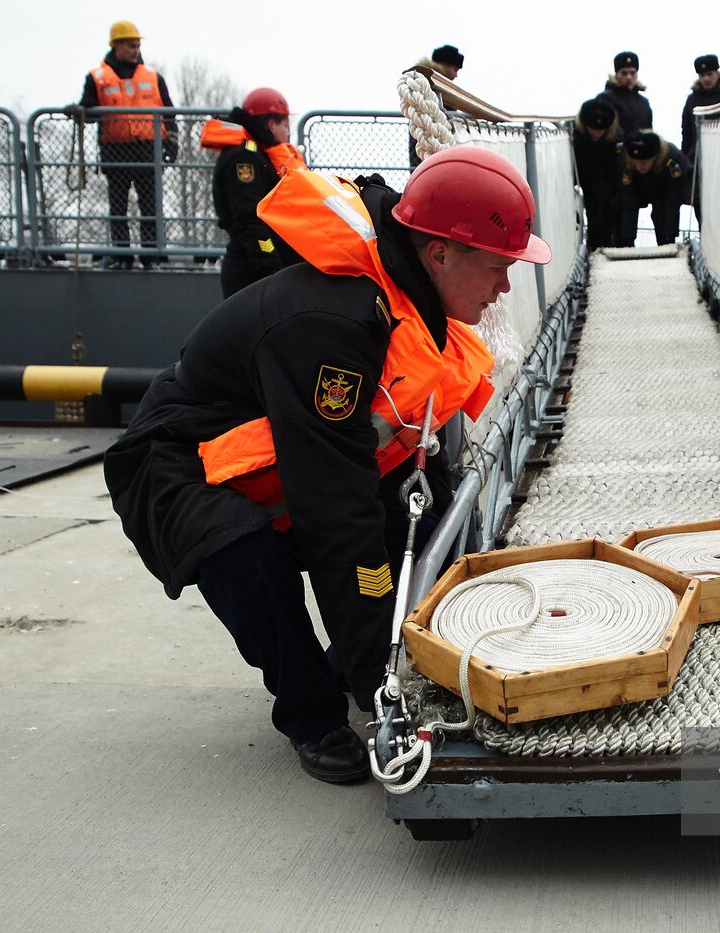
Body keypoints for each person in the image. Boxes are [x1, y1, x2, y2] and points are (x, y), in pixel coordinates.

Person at [102, 146, 551, 784]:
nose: (505, 287)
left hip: (276, 452)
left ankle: (354, 662)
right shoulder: (333, 329)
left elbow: (402, 474)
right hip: (177, 462)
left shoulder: (409, 299)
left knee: (418, 517)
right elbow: (336, 510)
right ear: (440, 253)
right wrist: (382, 694)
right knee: (243, 551)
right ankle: (312, 712)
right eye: (498, 267)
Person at [76, 20, 177, 270]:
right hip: (115, 150)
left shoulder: (153, 77)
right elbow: (88, 109)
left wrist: (172, 140)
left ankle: (151, 256)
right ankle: (121, 256)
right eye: (131, 45)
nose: (135, 50)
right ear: (116, 45)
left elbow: (169, 111)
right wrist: (78, 111)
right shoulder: (97, 77)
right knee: (118, 206)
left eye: (138, 46)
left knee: (151, 206)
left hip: (147, 149)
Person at [200, 87, 307, 297]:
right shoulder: (244, 159)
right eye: (285, 126)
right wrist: (273, 267)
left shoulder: (257, 155)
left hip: (260, 271)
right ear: (270, 125)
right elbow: (249, 221)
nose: (288, 133)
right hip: (252, 272)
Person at [618, 131, 691, 246]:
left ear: (655, 157)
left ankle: (665, 242)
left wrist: (669, 238)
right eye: (636, 163)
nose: (639, 167)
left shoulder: (671, 160)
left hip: (665, 187)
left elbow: (672, 201)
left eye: (644, 163)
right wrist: (627, 240)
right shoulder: (628, 164)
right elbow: (628, 200)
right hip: (640, 187)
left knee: (660, 212)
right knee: (624, 204)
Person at [573, 97, 624, 250]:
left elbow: (617, 168)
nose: (596, 133)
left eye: (600, 130)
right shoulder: (575, 136)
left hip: (610, 184)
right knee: (593, 220)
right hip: (587, 182)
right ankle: (593, 250)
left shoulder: (616, 138)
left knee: (611, 219)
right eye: (592, 128)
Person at [407, 44, 465, 167]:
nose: (456, 75)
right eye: (455, 69)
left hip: (422, 148)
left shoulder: (421, 84)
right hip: (433, 145)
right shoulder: (435, 88)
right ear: (445, 65)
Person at [680, 54, 720, 162]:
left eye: (709, 74)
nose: (706, 78)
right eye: (702, 75)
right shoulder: (691, 100)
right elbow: (686, 133)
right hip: (699, 158)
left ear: (717, 73)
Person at [598, 51, 652, 135]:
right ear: (616, 74)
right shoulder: (605, 99)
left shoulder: (644, 102)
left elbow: (649, 130)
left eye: (632, 73)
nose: (629, 77)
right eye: (624, 73)